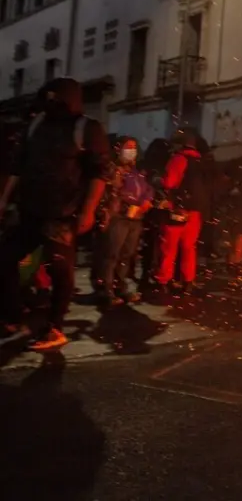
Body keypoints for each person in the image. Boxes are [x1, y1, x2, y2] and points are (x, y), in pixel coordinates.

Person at [0, 78, 112, 350]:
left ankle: (54, 327)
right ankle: (13, 316)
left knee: (60, 269)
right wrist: (3, 200)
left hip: (62, 214)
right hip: (30, 210)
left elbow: (99, 175)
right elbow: (18, 166)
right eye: (47, 96)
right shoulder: (36, 125)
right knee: (4, 258)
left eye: (56, 97)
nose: (51, 102)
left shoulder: (87, 128)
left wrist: (88, 211)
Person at [95, 137, 154, 307]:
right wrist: (128, 202)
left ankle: (120, 286)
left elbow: (147, 188)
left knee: (127, 254)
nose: (131, 150)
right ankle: (106, 289)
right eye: (128, 147)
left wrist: (146, 200)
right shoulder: (113, 170)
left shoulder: (136, 171)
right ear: (118, 149)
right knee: (111, 254)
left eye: (134, 147)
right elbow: (112, 191)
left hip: (135, 219)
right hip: (118, 218)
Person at [153, 130, 211, 297]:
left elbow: (170, 183)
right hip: (196, 212)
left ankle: (163, 281)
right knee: (189, 247)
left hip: (178, 209)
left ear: (179, 144)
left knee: (169, 247)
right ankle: (188, 281)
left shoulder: (178, 159)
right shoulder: (201, 161)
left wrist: (158, 180)